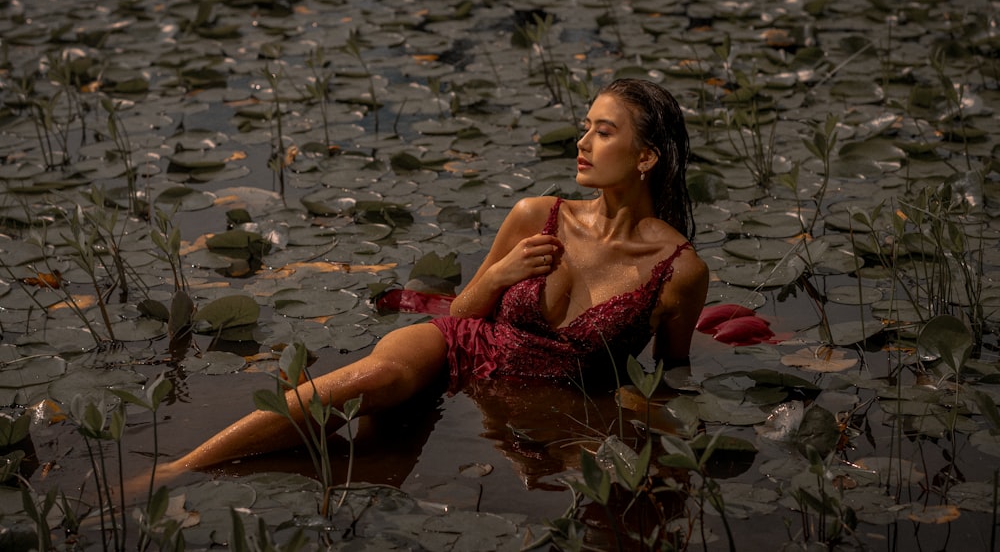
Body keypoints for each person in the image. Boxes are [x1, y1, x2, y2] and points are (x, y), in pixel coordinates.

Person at [157, 77, 709, 476]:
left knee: (379, 471)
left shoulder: (679, 271)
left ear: (646, 157)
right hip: (461, 346)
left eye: (603, 131)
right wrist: (500, 276)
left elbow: (672, 375)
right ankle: (177, 469)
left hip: (551, 396)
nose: (582, 142)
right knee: (368, 384)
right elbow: (465, 312)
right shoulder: (535, 214)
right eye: (585, 127)